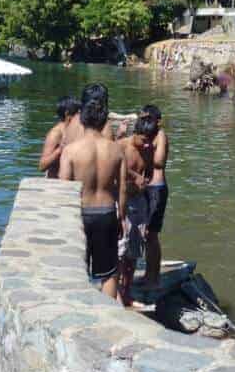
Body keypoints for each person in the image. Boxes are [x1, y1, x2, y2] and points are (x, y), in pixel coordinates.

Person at [58, 97, 127, 299]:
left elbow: (64, 188)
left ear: (82, 121)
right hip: (106, 213)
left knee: (76, 271)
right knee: (109, 275)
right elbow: (122, 189)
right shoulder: (116, 150)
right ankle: (108, 317)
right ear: (105, 121)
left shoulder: (70, 151)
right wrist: (121, 217)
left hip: (81, 213)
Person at [117, 115, 156, 306]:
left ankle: (127, 291)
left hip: (140, 202)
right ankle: (116, 291)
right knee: (120, 250)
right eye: (144, 140)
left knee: (134, 251)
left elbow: (147, 172)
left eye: (150, 141)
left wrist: (145, 180)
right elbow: (115, 168)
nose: (147, 145)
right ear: (136, 134)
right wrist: (134, 176)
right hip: (124, 201)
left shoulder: (148, 149)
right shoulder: (122, 146)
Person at [141, 104, 169, 288]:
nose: (144, 123)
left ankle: (154, 277)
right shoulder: (143, 135)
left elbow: (159, 162)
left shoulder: (161, 136)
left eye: (147, 119)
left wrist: (146, 148)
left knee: (152, 234)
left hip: (157, 189)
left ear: (157, 121)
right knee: (143, 233)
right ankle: (147, 274)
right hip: (144, 188)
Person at [38, 96, 80, 178]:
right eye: (77, 113)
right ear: (67, 113)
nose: (80, 116)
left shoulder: (75, 130)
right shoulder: (55, 134)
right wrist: (59, 150)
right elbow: (42, 166)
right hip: (55, 183)